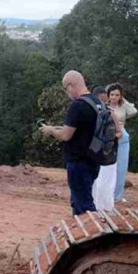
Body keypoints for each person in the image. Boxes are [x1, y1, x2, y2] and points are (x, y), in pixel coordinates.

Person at [40, 71, 100, 216]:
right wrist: (57, 128)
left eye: (66, 89)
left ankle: (95, 235)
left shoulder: (77, 106)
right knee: (81, 201)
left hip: (79, 162)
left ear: (71, 85)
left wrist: (50, 131)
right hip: (94, 160)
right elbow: (81, 129)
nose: (67, 93)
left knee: (83, 206)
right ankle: (82, 234)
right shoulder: (96, 102)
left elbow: (66, 135)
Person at [107, 83, 137, 203]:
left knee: (121, 167)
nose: (114, 97)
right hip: (109, 136)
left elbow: (133, 111)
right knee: (108, 167)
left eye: (117, 95)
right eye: (112, 94)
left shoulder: (123, 106)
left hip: (122, 136)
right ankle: (107, 193)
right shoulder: (105, 106)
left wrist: (123, 100)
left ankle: (118, 196)